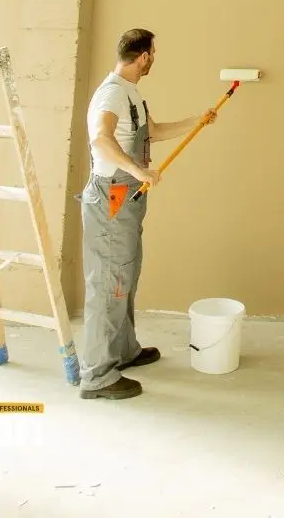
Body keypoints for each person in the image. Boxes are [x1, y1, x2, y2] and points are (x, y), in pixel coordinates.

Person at [78, 28, 217, 400]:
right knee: (110, 283)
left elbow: (150, 132)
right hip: (113, 197)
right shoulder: (111, 92)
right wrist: (141, 172)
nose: (154, 58)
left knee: (125, 274)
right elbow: (101, 140)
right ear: (143, 56)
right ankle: (97, 376)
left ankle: (123, 351)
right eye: (153, 53)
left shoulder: (130, 93)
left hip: (127, 199)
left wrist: (196, 121)